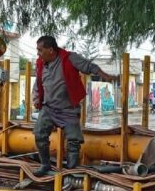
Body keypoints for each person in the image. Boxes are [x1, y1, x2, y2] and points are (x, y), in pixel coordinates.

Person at [31, 35, 115, 175]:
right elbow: (38, 82)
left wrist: (105, 76)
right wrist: (35, 97)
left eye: (40, 50)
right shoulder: (40, 63)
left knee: (74, 140)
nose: (38, 53)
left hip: (68, 108)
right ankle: (45, 165)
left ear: (50, 50)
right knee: (39, 133)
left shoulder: (69, 58)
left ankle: (70, 169)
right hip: (49, 108)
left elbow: (89, 66)